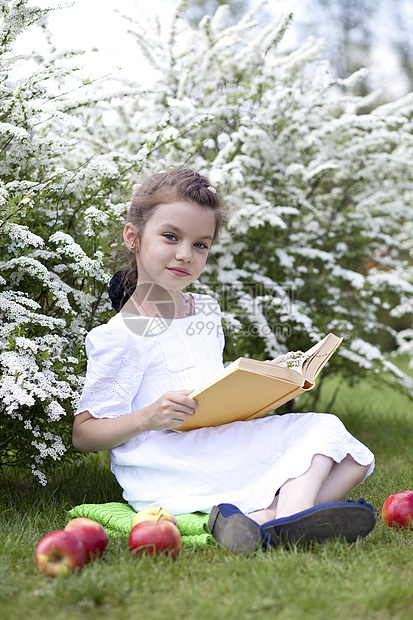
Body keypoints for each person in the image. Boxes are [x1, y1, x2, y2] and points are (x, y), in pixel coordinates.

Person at [72, 168, 375, 553]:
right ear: (133, 237)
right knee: (323, 435)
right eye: (170, 237)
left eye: (201, 244)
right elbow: (84, 434)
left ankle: (267, 522)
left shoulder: (206, 311)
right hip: (168, 463)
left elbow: (208, 390)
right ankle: (289, 521)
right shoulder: (120, 335)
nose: (186, 254)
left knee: (350, 455)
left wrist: (268, 381)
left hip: (213, 440)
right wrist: (148, 417)